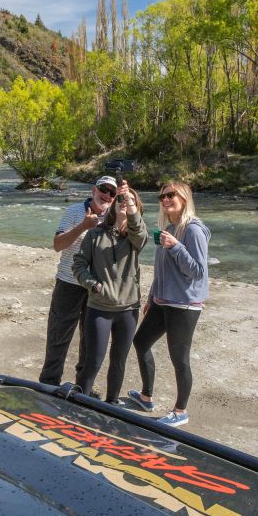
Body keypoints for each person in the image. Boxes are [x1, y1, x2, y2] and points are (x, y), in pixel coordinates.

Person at [127, 181, 210, 427]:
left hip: (184, 305)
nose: (165, 199)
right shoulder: (169, 228)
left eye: (171, 195)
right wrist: (152, 297)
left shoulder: (193, 230)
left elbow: (197, 272)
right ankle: (146, 397)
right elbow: (162, 270)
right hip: (163, 302)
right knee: (140, 342)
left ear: (184, 198)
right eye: (162, 196)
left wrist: (176, 247)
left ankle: (180, 411)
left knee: (179, 358)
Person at [38, 175, 118, 387]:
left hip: (97, 288)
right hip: (68, 284)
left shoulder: (116, 217)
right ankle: (48, 383)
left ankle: (82, 388)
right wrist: (83, 226)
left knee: (90, 342)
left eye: (112, 192)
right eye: (104, 189)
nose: (107, 195)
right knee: (58, 337)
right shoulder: (74, 211)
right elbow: (57, 245)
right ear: (94, 190)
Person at [72, 182, 147, 400]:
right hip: (99, 308)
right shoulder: (95, 235)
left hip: (128, 309)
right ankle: (80, 403)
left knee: (119, 361)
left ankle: (112, 404)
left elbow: (140, 234)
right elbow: (78, 265)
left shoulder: (136, 238)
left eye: (130, 201)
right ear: (112, 205)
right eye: (121, 200)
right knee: (93, 361)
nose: (124, 203)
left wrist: (130, 205)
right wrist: (93, 284)